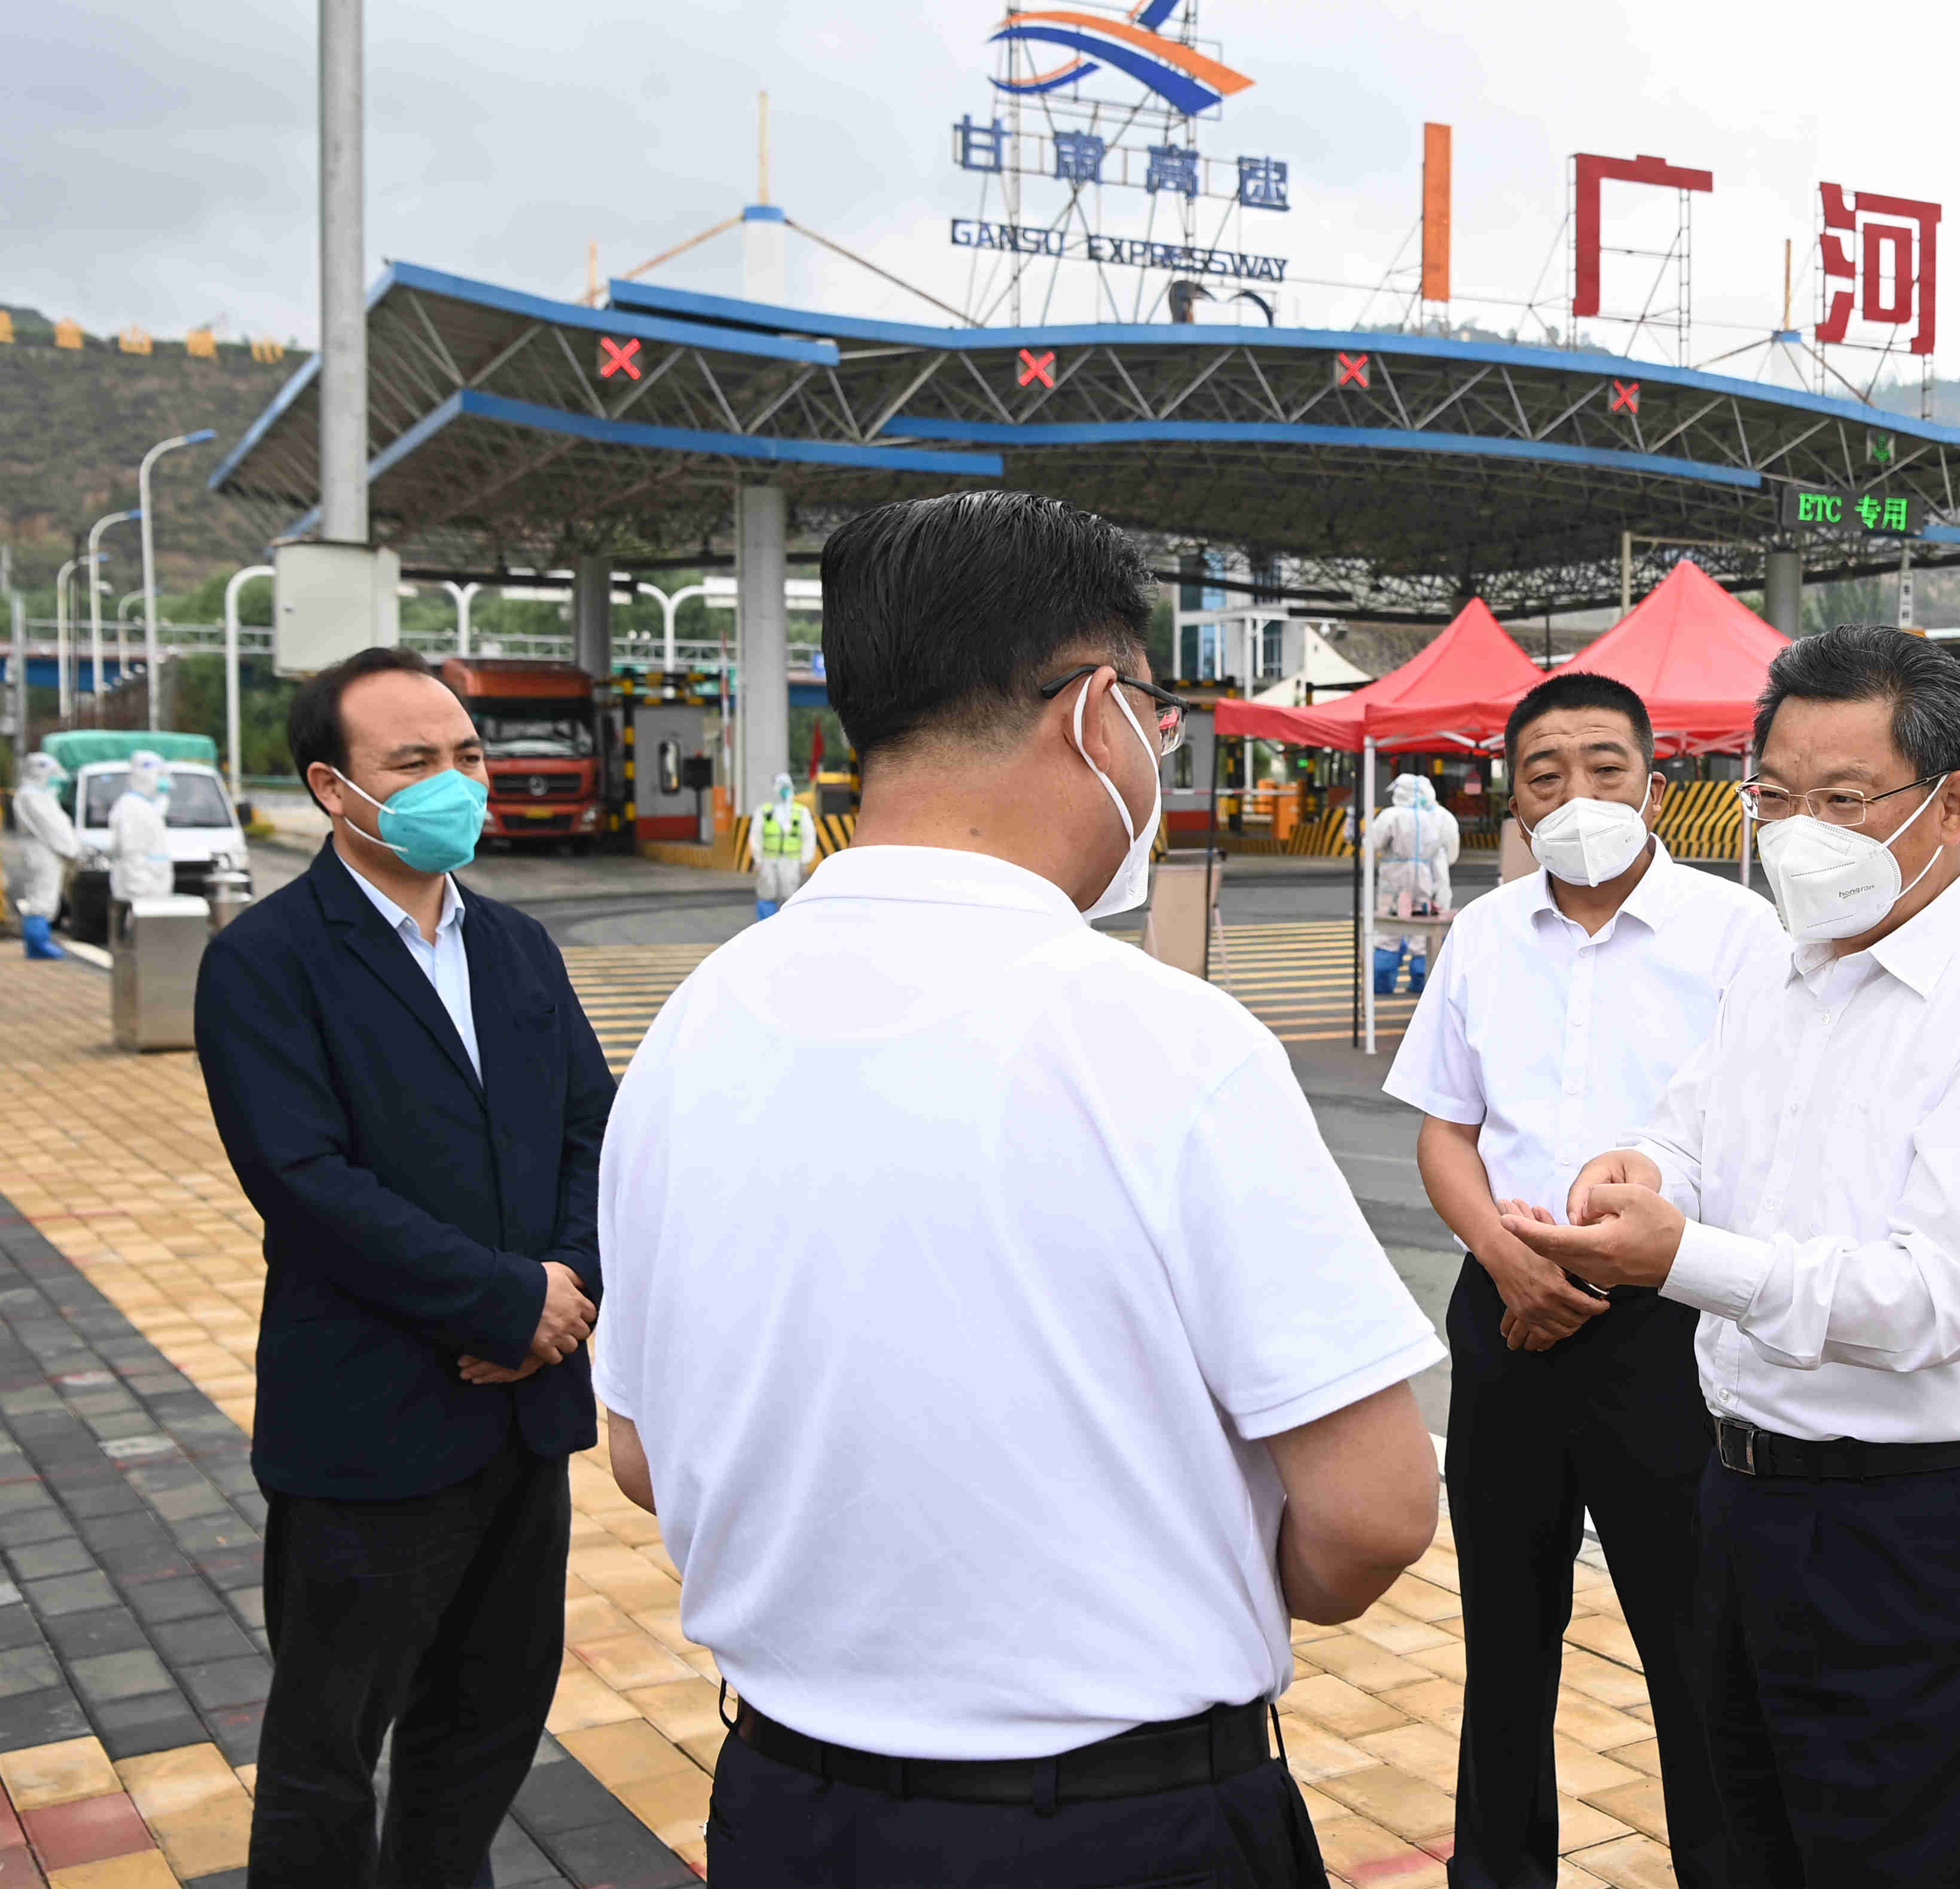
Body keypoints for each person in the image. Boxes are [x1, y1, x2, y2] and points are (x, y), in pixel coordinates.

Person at [594, 490, 1445, 1889]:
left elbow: (638, 1453)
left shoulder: (688, 1029)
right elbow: (1373, 1507)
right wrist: (1182, 1569)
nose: (1157, 748)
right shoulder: (1169, 1041)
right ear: (1096, 709)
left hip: (785, 1810)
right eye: (1159, 713)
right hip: (1120, 1828)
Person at [1500, 626, 1960, 1889]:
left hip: (1929, 1529)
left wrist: (1679, 1257)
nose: (1799, 832)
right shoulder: (1786, 972)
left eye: (1843, 800)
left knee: (1911, 1861)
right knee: (1744, 1854)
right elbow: (1689, 1131)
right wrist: (1638, 1174)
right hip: (1744, 1503)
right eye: (1775, 797)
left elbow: (1931, 1299)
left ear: (1952, 806)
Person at [193, 645, 614, 1889]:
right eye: (415, 762)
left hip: (525, 1414)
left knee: (484, 1730)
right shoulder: (268, 960)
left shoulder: (520, 947)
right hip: (372, 1424)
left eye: (467, 754)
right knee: (329, 1751)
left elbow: (594, 1128)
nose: (457, 782)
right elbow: (305, 1182)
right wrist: (501, 1298)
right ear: (333, 787)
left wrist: (566, 1290)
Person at [1385, 672, 1781, 1889]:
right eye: (1546, 771)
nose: (1578, 791)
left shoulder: (1739, 937)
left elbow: (1764, 1141)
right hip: (1507, 1313)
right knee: (1506, 1633)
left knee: (1693, 1634)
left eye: (1605, 765)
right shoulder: (1489, 932)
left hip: (1666, 1325)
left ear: (1656, 780)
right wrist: (1506, 1257)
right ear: (1513, 797)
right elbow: (1445, 1129)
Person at [1369, 770, 1460, 993]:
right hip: (1428, 879)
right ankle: (1422, 986)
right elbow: (1450, 854)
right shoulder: (1438, 816)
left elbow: (1372, 843)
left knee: (1388, 930)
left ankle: (1381, 986)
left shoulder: (1392, 815)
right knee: (1423, 934)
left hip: (1394, 877)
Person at [10, 751, 80, 958]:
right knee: (43, 895)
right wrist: (72, 851)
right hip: (43, 852)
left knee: (40, 894)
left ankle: (37, 943)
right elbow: (53, 828)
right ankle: (39, 944)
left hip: (40, 851)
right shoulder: (33, 797)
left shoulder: (34, 795)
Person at [108, 748, 174, 905]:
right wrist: (141, 893)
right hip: (142, 894)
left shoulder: (144, 806)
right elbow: (131, 855)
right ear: (147, 777)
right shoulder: (131, 807)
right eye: (160, 776)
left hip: (153, 893)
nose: (165, 782)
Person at [752, 770, 816, 918]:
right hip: (769, 861)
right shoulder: (765, 811)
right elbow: (756, 836)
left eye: (786, 787)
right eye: (781, 786)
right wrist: (758, 859)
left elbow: (809, 837)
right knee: (767, 894)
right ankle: (765, 929)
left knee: (790, 897)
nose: (784, 790)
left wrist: (805, 861)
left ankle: (787, 930)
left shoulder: (800, 812)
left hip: (791, 861)